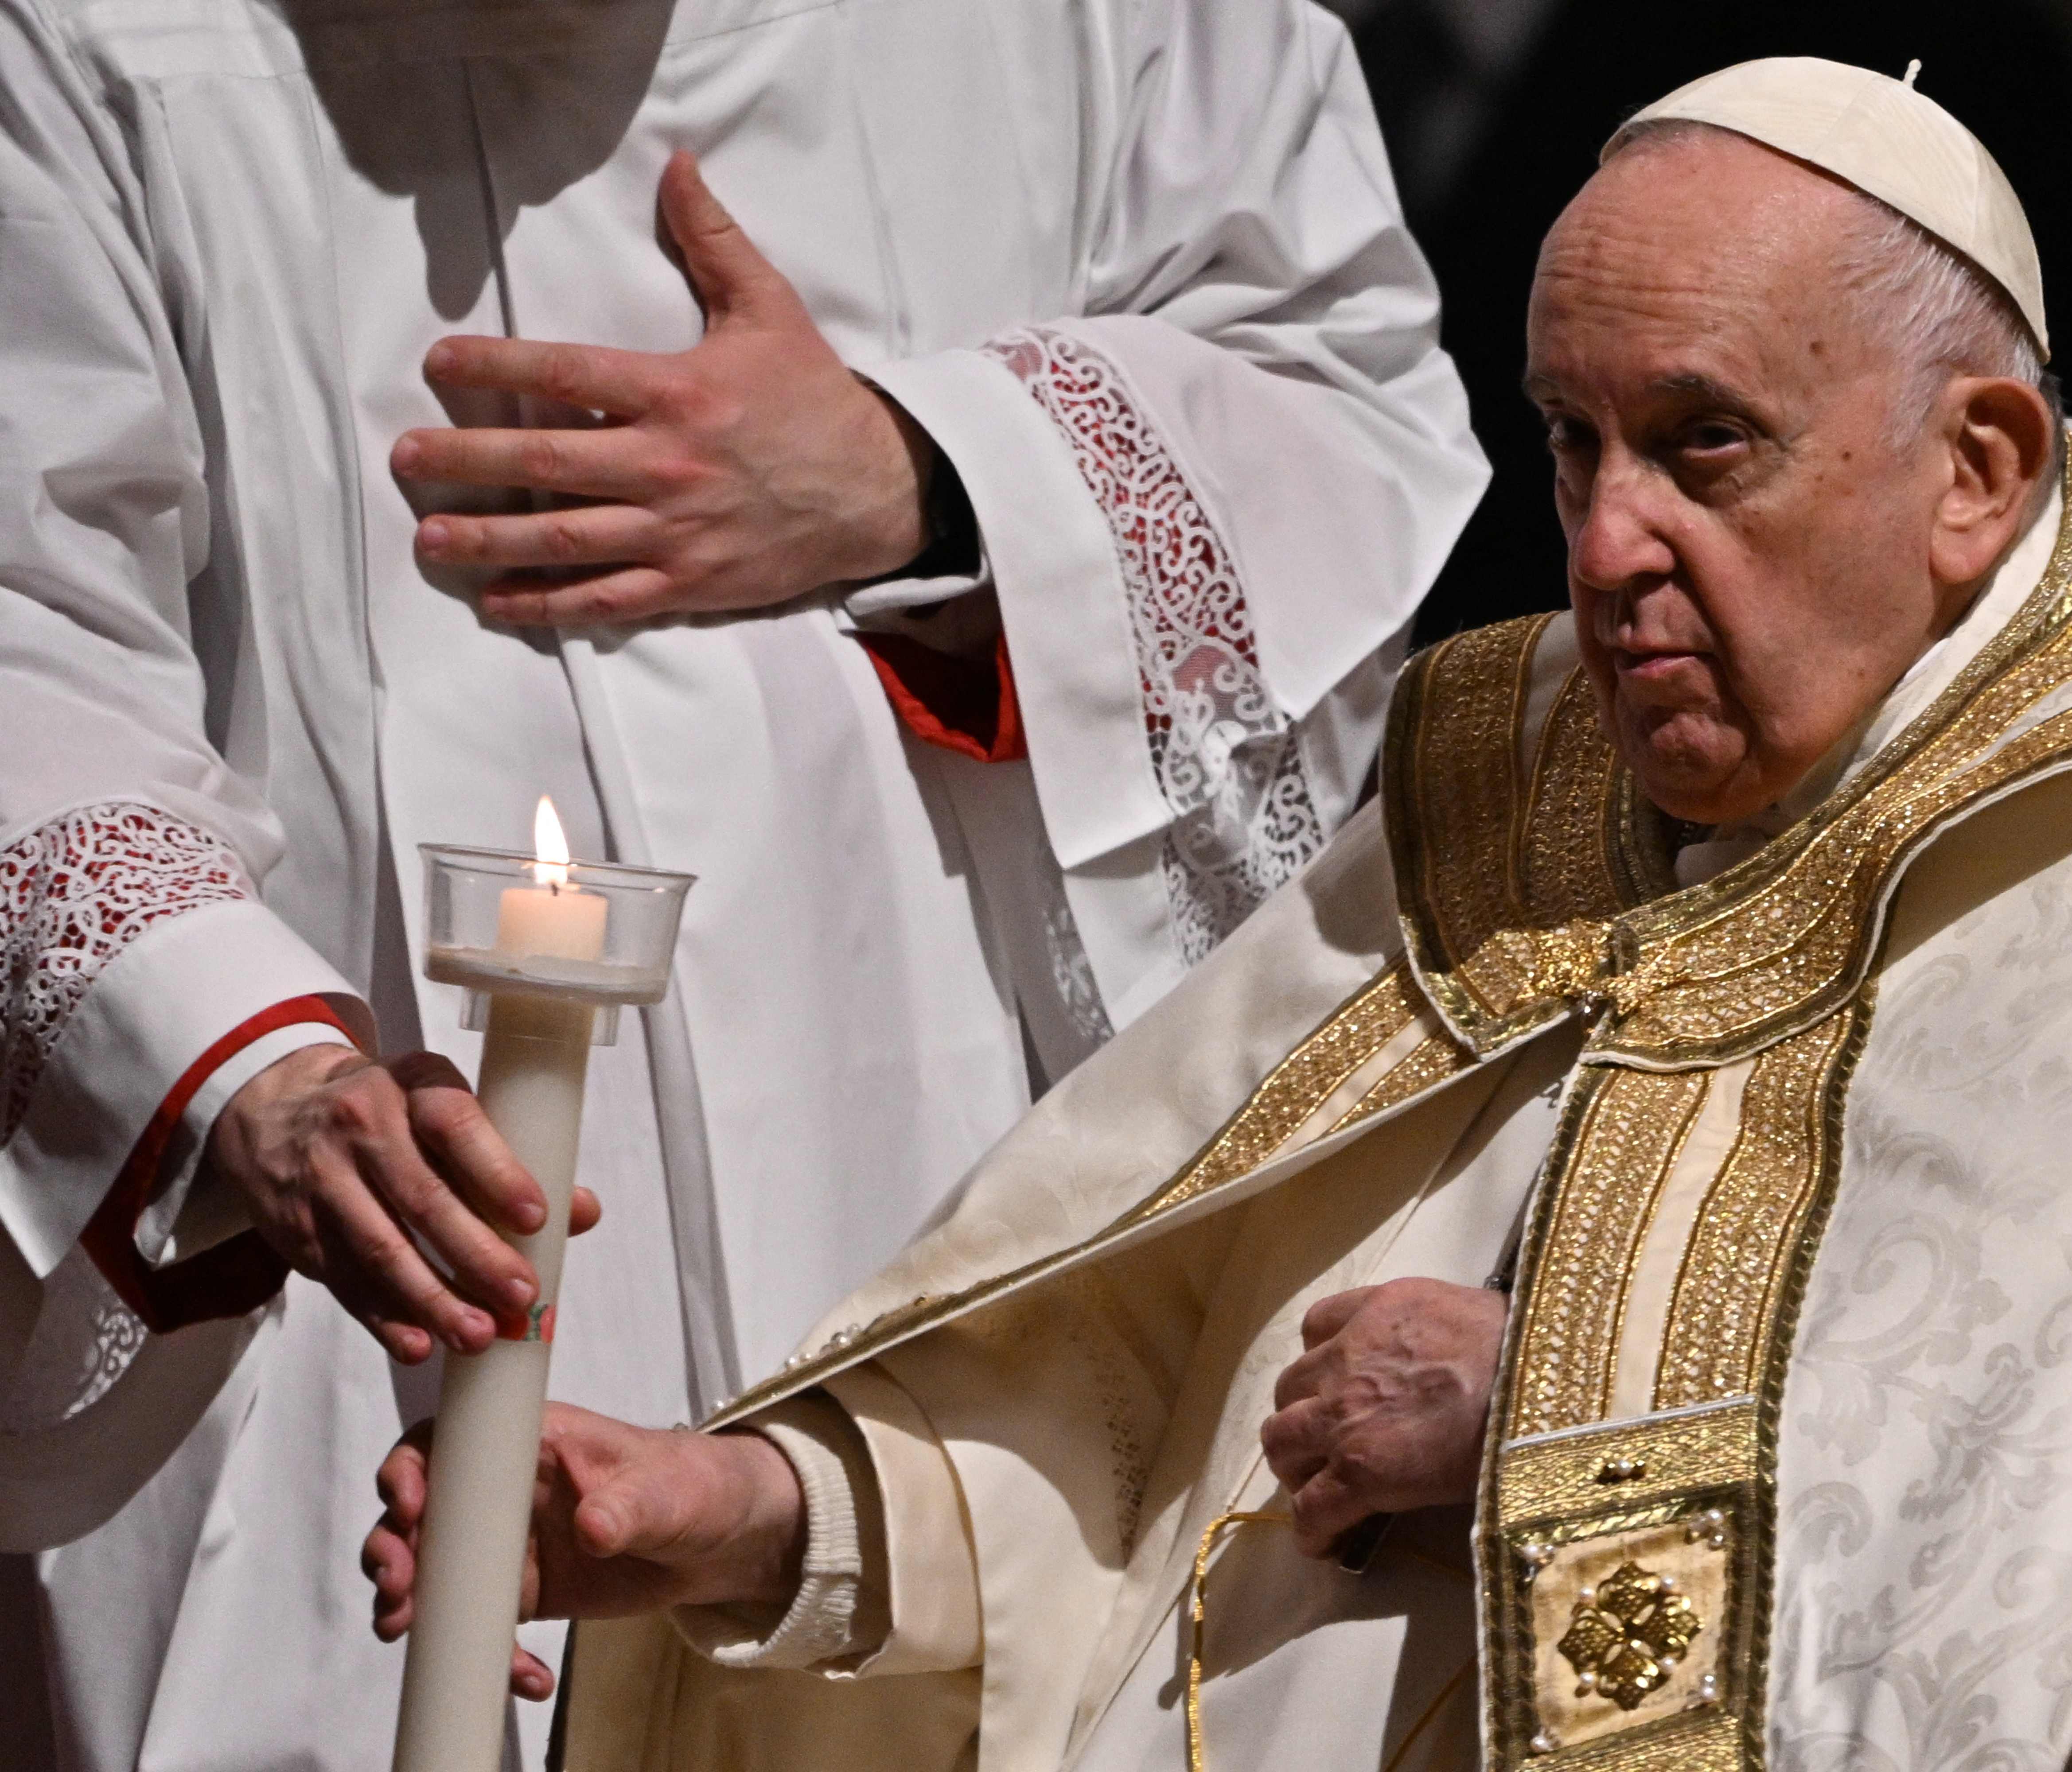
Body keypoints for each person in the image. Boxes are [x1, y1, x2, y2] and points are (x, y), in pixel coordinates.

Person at [367, 58, 2072, 1772]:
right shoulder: (1538, 778)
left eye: (1708, 445)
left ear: (1981, 472)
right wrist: (755, 1519)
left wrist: (1548, 1413)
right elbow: (1162, 1420)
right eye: (1573, 445)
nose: (1611, 543)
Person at [0, 0, 1484, 1766]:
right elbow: (30, 631)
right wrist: (250, 1072)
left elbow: (1340, 385)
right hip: (343, 1244)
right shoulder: (94, 39)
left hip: (934, 1144)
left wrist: (924, 476)